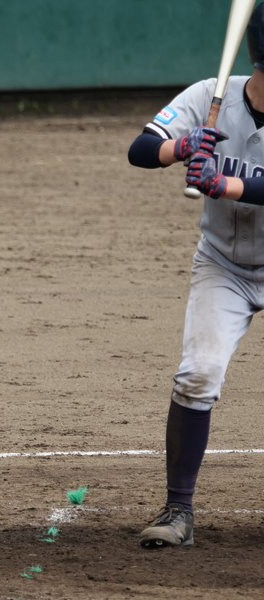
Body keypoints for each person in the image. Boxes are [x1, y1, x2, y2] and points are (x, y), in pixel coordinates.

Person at [127, 5, 264, 549]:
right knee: (198, 374)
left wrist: (222, 184)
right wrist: (179, 148)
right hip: (224, 264)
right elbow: (140, 150)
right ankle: (178, 509)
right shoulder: (211, 94)